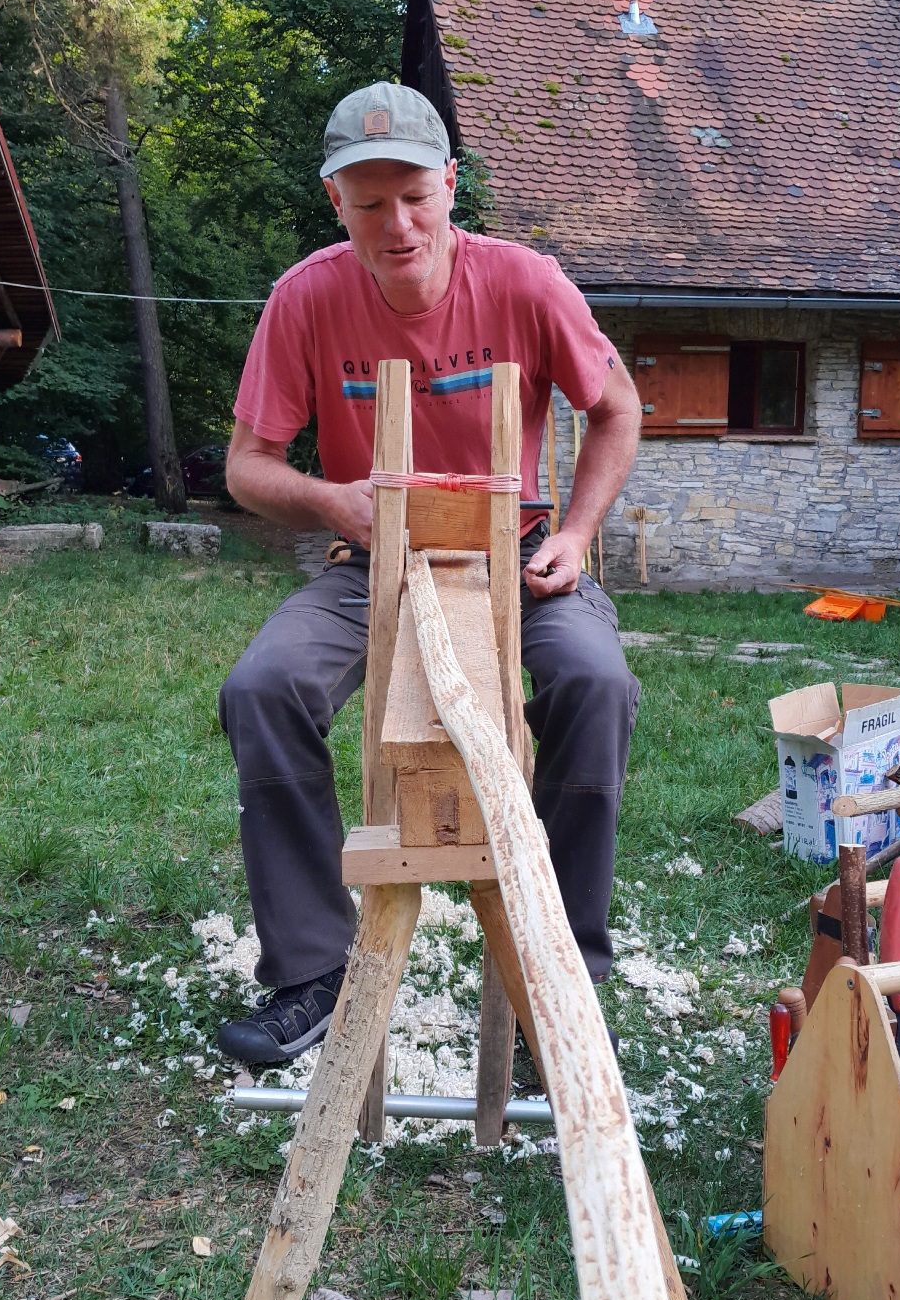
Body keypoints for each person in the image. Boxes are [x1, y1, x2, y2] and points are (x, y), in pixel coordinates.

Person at [216, 81, 642, 1065]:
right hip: (371, 557)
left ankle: (559, 973)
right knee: (264, 689)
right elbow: (246, 467)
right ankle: (314, 970)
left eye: (414, 196)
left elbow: (617, 409)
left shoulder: (525, 283)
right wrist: (332, 500)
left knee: (595, 684)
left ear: (450, 184)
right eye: (369, 203)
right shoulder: (306, 298)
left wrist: (577, 533)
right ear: (336, 202)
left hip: (518, 551)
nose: (397, 225)